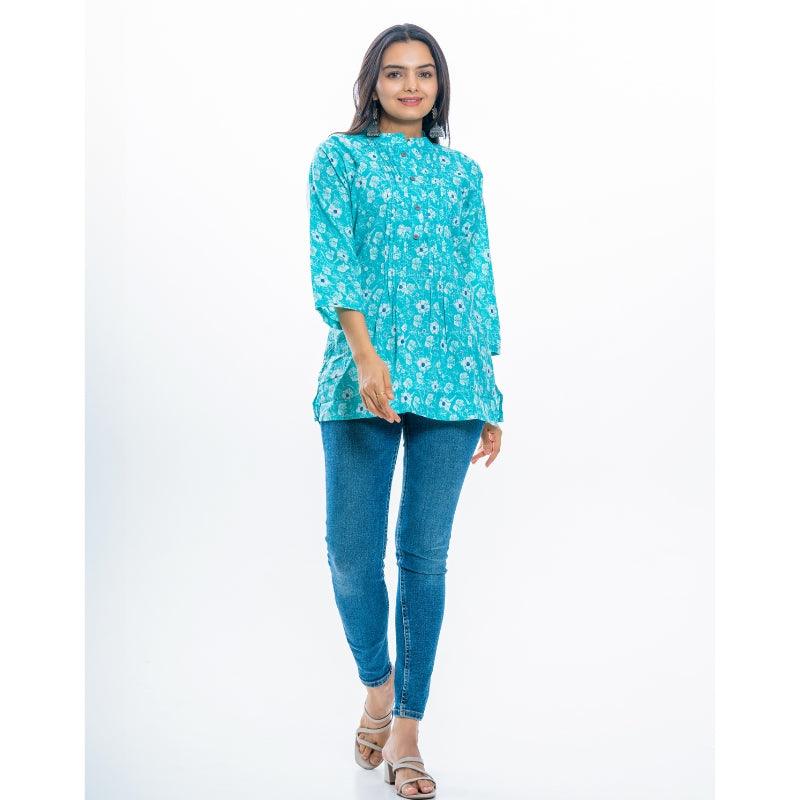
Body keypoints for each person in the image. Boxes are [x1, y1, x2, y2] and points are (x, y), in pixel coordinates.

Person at [307, 23, 504, 799]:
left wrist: (489, 393)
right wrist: (364, 356)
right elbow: (333, 259)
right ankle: (378, 689)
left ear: (439, 85)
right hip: (365, 377)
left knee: (424, 558)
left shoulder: (461, 174)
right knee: (351, 558)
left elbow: (476, 280)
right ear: (373, 83)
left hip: (453, 380)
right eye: (395, 73)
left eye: (425, 73)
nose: (412, 85)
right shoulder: (339, 159)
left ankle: (408, 732)